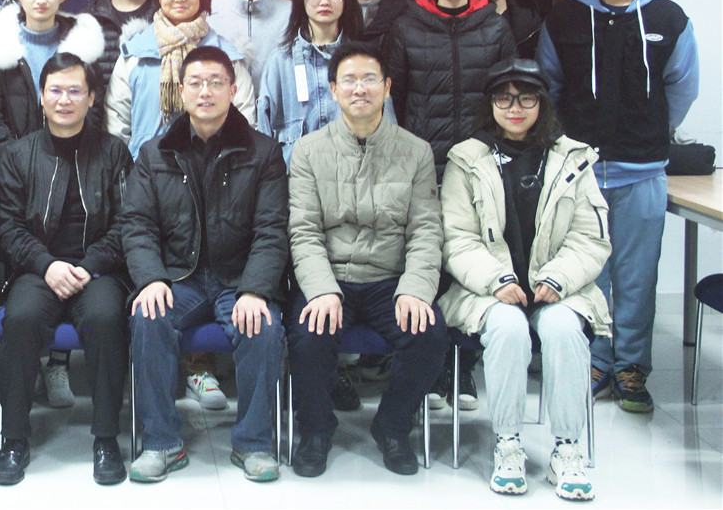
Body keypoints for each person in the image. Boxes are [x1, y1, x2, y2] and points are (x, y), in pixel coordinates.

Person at [536, 0, 699, 413]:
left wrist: (648, 132)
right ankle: (594, 362)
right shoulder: (564, 18)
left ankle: (630, 367)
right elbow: (549, 87)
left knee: (636, 276)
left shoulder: (668, 18)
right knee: (586, 274)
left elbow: (681, 89)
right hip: (579, 172)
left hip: (641, 171)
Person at [439, 59, 609, 501]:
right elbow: (456, 238)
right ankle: (508, 442)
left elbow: (590, 238)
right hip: (486, 290)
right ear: (490, 104)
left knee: (564, 329)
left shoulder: (574, 157)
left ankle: (567, 448)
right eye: (504, 98)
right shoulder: (466, 157)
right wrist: (496, 280)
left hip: (559, 289)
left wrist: (558, 278)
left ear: (542, 102)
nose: (514, 108)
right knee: (509, 329)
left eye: (526, 98)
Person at [121, 46, 288, 483]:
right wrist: (151, 279)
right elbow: (137, 226)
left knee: (264, 327)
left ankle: (253, 442)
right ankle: (162, 442)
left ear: (233, 89)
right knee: (147, 316)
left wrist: (255, 288)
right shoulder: (154, 153)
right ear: (181, 92)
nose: (206, 91)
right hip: (180, 277)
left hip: (239, 279)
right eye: (195, 83)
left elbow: (272, 230)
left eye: (216, 82)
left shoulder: (264, 152)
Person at [286, 42, 446, 478]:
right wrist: (321, 290)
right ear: (334, 90)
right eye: (350, 80)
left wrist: (415, 290)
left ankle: (392, 426)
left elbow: (426, 230)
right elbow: (303, 231)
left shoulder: (415, 151)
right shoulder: (308, 151)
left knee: (429, 334)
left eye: (370, 79)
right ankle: (316, 430)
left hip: (389, 280)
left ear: (387, 88)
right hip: (331, 276)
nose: (360, 89)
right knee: (308, 336)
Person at [0, 53, 133, 486]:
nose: (64, 99)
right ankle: (14, 439)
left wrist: (89, 266)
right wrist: (46, 264)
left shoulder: (114, 152)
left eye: (75, 90)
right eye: (55, 90)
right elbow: (7, 226)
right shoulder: (18, 154)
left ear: (92, 97)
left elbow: (128, 224)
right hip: (37, 269)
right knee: (20, 319)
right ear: (41, 96)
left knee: (107, 318)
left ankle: (106, 439)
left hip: (98, 269)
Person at [384, 0, 515, 172]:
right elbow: (394, 98)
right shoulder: (406, 27)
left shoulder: (495, 27)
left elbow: (507, 95)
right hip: (422, 160)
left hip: (482, 158)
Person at [107, 0, 255, 159]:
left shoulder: (226, 56)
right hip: (147, 168)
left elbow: (245, 117)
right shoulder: (136, 53)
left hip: (214, 167)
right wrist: (130, 168)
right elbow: (117, 120)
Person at [0, 0, 108, 148]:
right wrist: (13, 158)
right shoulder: (0, 45)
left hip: (73, 153)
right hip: (15, 155)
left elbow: (93, 107)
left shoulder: (83, 44)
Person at [257, 0, 365, 167]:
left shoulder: (363, 61)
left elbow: (385, 130)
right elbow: (264, 133)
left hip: (352, 176)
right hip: (294, 179)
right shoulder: (280, 62)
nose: (324, 1)